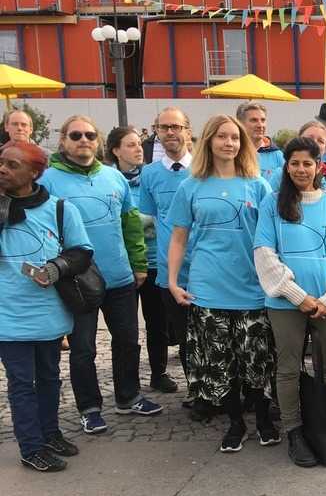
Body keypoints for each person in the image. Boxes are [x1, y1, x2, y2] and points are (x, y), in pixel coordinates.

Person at [39, 115, 161, 434]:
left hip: (119, 277)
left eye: (90, 135)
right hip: (77, 282)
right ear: (63, 140)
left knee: (128, 341)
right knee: (83, 349)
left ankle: (129, 396)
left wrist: (138, 263)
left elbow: (131, 223)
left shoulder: (114, 177)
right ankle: (89, 408)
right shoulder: (48, 181)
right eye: (76, 135)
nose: (84, 140)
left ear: (98, 141)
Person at [167, 114, 277, 452]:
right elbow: (178, 238)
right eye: (222, 136)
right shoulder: (191, 186)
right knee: (220, 363)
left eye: (235, 137)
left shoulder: (257, 185)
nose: (229, 143)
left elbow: (273, 237)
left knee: (256, 360)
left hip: (252, 288)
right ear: (208, 141)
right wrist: (172, 281)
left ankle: (263, 419)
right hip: (208, 289)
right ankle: (235, 423)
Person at [254, 136, 326, 466]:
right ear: (287, 166)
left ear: (318, 167)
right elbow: (265, 254)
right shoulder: (272, 204)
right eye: (295, 163)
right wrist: (299, 297)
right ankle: (295, 432)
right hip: (287, 305)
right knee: (288, 369)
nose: (301, 169)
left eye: (307, 163)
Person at [0, 141, 92, 471]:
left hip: (49, 313)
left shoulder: (60, 208)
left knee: (50, 377)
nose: (2, 169)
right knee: (22, 384)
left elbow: (82, 252)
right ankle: (31, 447)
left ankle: (50, 433)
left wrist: (56, 268)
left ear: (34, 173)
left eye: (12, 165)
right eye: (1, 162)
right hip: (8, 316)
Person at [106, 125, 177, 394]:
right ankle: (128, 383)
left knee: (157, 322)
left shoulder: (150, 176)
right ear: (116, 151)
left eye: (139, 144)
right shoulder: (110, 181)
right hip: (124, 265)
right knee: (127, 330)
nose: (138, 149)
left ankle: (158, 373)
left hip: (155, 260)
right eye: (130, 144)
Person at [139, 107, 194, 387]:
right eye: (164, 127)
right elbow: (151, 217)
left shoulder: (203, 170)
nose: (170, 132)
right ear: (157, 132)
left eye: (176, 126)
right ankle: (195, 391)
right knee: (184, 337)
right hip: (169, 272)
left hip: (205, 268)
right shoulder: (149, 174)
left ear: (188, 131)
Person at [237, 101, 283, 188]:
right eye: (254, 120)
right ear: (240, 124)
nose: (260, 125)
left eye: (263, 120)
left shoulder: (278, 155)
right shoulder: (233, 153)